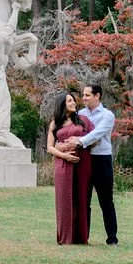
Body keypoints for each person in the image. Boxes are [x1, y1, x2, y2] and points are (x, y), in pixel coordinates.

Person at [58, 84, 118, 245]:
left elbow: (97, 134)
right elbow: (65, 129)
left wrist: (79, 141)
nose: (83, 98)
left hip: (101, 160)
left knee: (106, 200)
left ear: (97, 96)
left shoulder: (107, 115)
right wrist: (59, 145)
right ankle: (84, 237)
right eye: (83, 95)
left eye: (87, 95)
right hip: (83, 160)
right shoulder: (79, 114)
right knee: (83, 200)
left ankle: (112, 238)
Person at [46, 92, 94, 245]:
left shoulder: (83, 120)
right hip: (63, 164)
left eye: (73, 100)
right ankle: (65, 238)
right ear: (62, 104)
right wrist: (64, 155)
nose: (73, 103)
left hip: (82, 163)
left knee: (81, 198)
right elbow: (49, 147)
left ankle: (81, 237)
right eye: (69, 101)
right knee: (64, 199)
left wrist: (79, 140)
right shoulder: (55, 123)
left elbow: (94, 139)